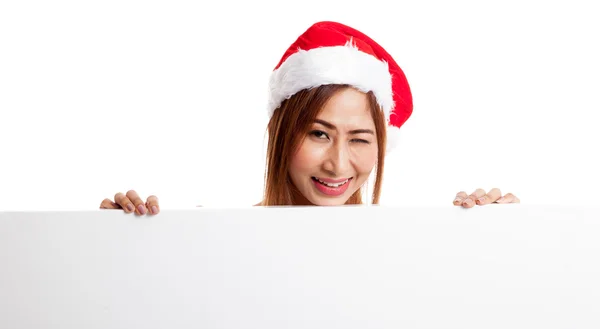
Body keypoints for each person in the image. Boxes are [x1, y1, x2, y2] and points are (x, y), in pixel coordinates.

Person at [100, 21, 520, 215]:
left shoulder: (407, 252)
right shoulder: (214, 242)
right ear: (281, 134)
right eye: (319, 133)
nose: (338, 164)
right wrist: (115, 245)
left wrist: (500, 242)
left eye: (359, 138)